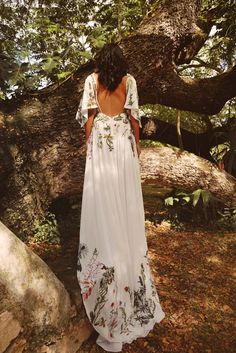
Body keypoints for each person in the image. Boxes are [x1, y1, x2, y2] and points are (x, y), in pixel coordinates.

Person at [75, 43, 165, 352]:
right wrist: (136, 149)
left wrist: (89, 147)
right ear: (122, 60)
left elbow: (89, 118)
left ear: (100, 60)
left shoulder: (91, 81)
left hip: (101, 145)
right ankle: (126, 274)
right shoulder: (130, 81)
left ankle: (108, 262)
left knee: (104, 201)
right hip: (122, 145)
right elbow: (134, 119)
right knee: (125, 205)